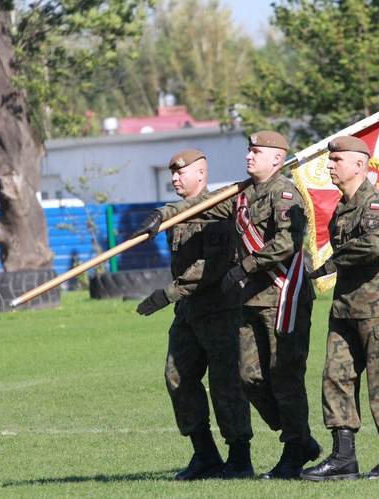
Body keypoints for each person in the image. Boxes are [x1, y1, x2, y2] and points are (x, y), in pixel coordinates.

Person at [132, 131, 322, 480]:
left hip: (281, 296)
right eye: (249, 150)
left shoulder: (284, 193)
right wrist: (161, 214)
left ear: (277, 159)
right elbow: (197, 207)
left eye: (257, 151)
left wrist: (244, 268)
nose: (249, 156)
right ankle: (292, 441)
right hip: (250, 299)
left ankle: (293, 449)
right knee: (250, 377)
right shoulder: (242, 194)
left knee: (284, 377)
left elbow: (288, 241)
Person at [136, 149, 254, 480]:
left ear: (201, 174)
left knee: (225, 384)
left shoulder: (216, 211)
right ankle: (205, 455)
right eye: (172, 173)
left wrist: (167, 294)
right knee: (177, 376)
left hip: (219, 309)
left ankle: (239, 459)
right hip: (188, 311)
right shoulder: (176, 215)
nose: (174, 178)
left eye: (181, 172)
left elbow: (212, 266)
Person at [299, 135, 379, 481]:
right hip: (346, 307)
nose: (330, 165)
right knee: (336, 378)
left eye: (337, 160)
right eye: (330, 160)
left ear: (359, 165)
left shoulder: (374, 203)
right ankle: (343, 458)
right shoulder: (343, 207)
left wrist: (333, 262)